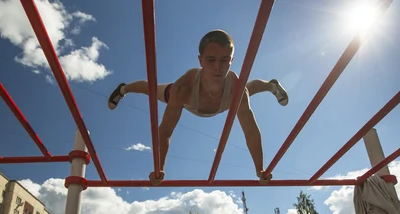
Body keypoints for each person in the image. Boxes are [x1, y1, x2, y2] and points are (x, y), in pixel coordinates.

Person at [107, 29, 289, 185]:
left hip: (226, 101)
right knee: (152, 89)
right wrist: (159, 167)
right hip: (189, 101)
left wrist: (260, 169)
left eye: (225, 60)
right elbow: (166, 130)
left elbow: (250, 131)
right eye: (211, 60)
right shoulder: (183, 87)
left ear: (232, 60)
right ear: (200, 60)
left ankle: (270, 85)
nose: (218, 67)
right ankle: (124, 88)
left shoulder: (236, 89)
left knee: (248, 89)